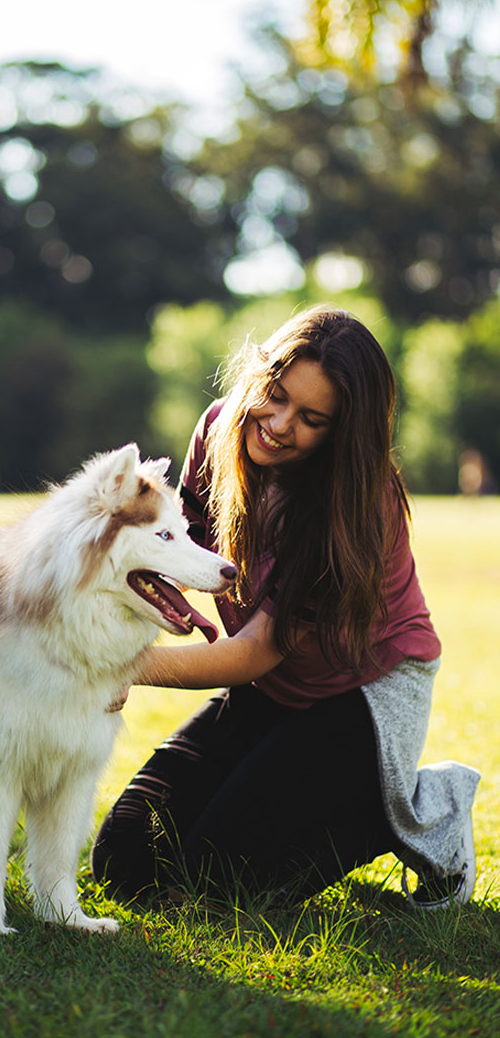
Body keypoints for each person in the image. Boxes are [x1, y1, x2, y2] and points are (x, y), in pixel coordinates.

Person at [92, 305, 480, 911]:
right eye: (274, 395)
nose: (276, 423)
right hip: (274, 692)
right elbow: (179, 561)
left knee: (222, 882)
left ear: (340, 432)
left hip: (363, 698)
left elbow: (252, 652)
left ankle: (415, 809)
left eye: (311, 419)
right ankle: (296, 802)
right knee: (126, 859)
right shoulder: (222, 429)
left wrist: (123, 666)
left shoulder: (353, 502)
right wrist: (103, 636)